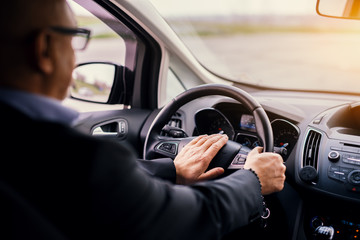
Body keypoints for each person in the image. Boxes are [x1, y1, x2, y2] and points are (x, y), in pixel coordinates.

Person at [0, 0, 286, 239]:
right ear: (45, 49)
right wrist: (252, 180)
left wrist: (172, 171)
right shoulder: (69, 155)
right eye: (73, 37)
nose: (75, 56)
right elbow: (182, 219)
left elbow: (109, 190)